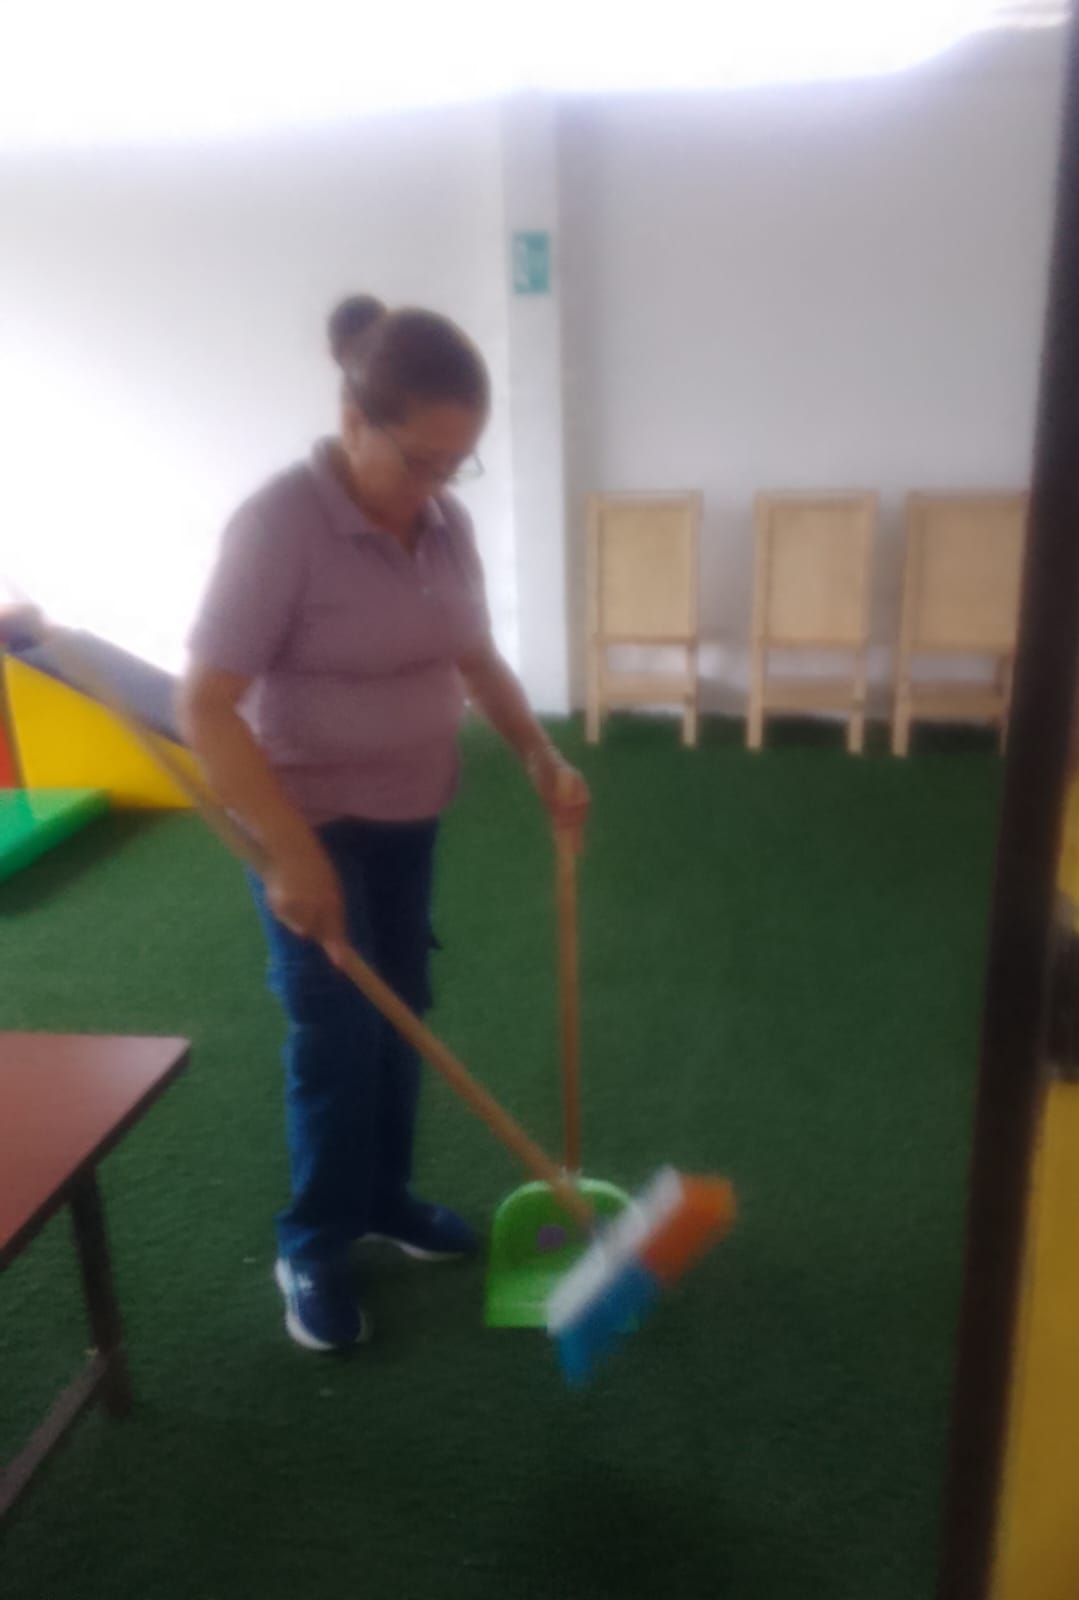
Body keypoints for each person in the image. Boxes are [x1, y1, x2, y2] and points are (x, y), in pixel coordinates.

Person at [180, 295, 589, 1353]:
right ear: (353, 418)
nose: (437, 485)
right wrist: (289, 852)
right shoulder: (278, 526)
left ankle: (384, 1199)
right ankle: (314, 1240)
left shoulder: (444, 526)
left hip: (411, 812)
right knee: (336, 1033)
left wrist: (539, 755)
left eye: (458, 464)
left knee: (404, 1013)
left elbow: (476, 658)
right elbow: (206, 706)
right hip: (306, 818)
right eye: (420, 460)